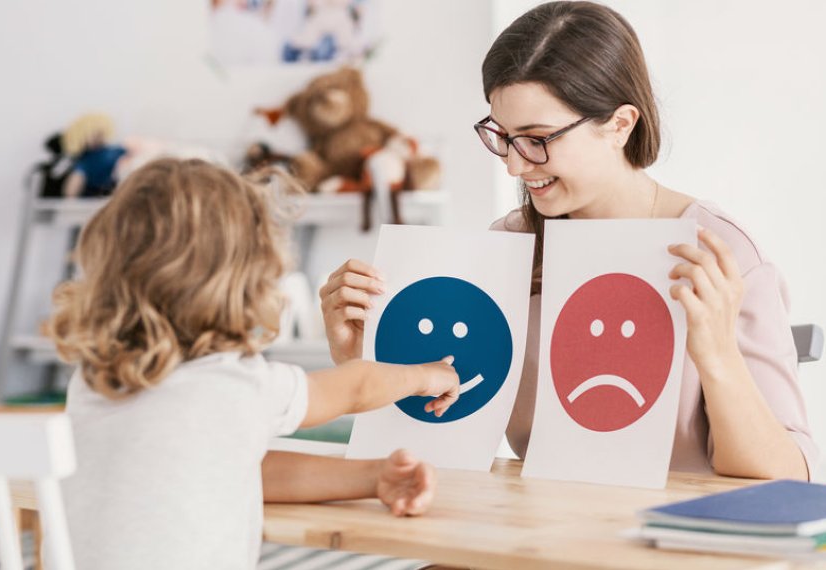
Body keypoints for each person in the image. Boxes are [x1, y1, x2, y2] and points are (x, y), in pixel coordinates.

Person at [319, 0, 817, 481]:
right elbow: (446, 428)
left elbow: (789, 477)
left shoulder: (714, 253)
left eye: (538, 139)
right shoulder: (510, 244)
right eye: (503, 137)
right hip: (540, 535)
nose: (515, 165)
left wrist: (717, 355)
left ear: (620, 124)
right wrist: (361, 356)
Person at [45, 157, 460, 570]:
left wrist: (372, 479)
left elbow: (239, 466)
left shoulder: (94, 381)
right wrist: (428, 375)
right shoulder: (237, 385)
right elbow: (356, 385)